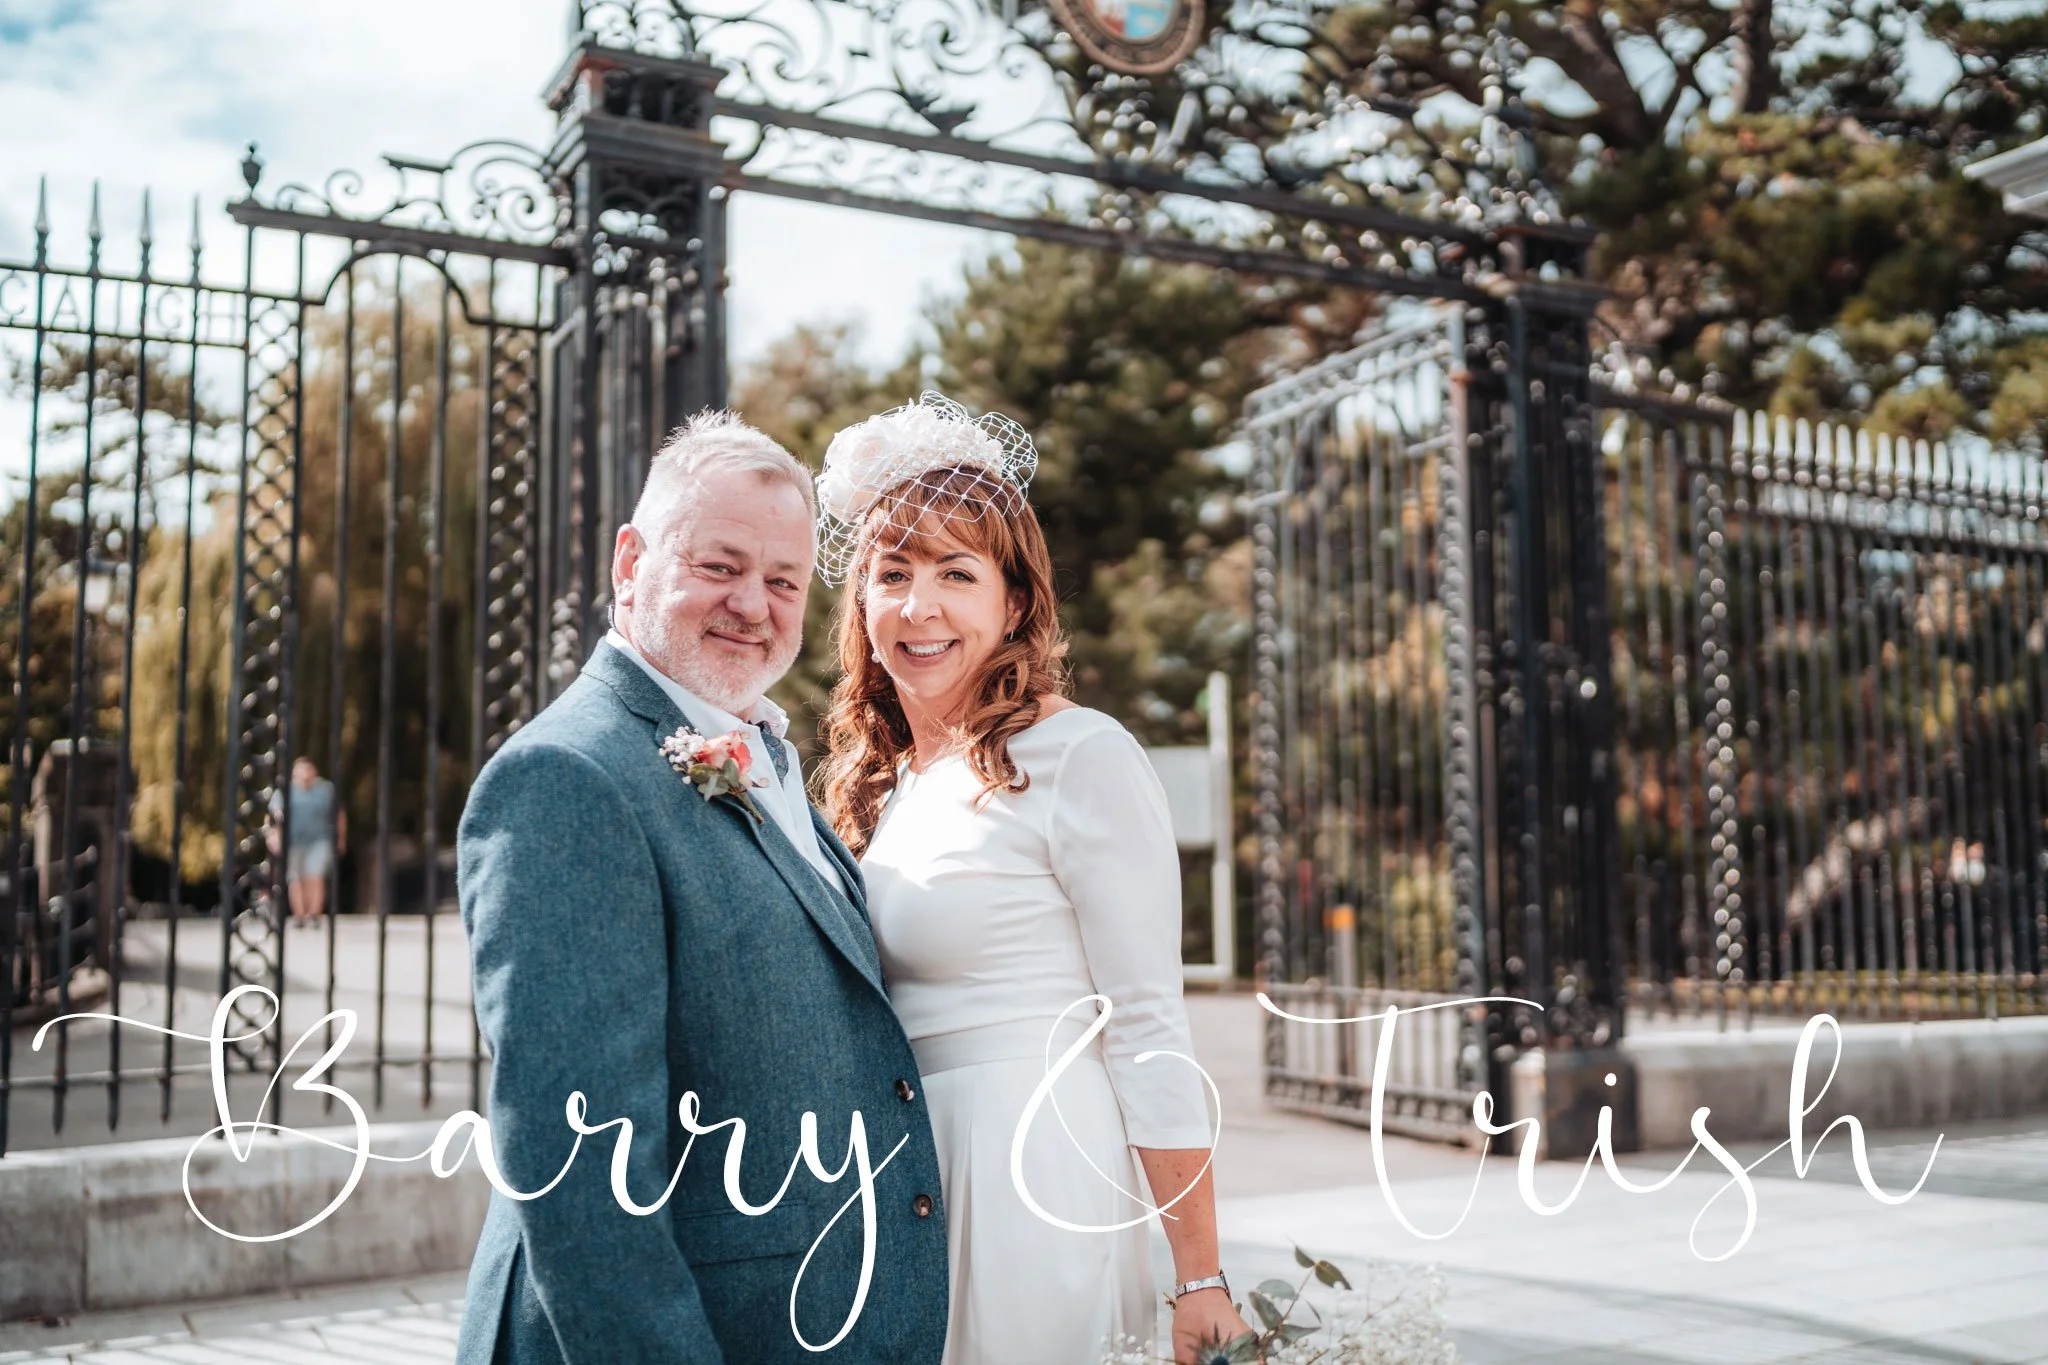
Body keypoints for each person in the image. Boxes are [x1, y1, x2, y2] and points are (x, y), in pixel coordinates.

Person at [454, 412, 948, 1363]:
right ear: (630, 561)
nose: (753, 605)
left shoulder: (761, 751)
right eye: (719, 567)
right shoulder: (568, 779)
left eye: (783, 581)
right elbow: (580, 1174)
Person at [816, 394, 1252, 1365]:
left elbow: (1147, 1030)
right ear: (860, 604)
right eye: (892, 574)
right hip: (897, 1171)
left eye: (954, 574)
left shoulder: (1079, 756)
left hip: (1029, 1168)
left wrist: (1199, 1277)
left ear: (1013, 603)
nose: (917, 607)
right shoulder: (880, 786)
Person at [267, 757, 344, 928]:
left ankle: (314, 914)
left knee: (315, 876)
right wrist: (273, 836)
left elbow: (339, 814)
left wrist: (340, 838)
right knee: (295, 878)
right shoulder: (285, 791)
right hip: (293, 842)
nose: (305, 774)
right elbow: (273, 817)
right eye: (301, 770)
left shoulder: (325, 790)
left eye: (308, 769)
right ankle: (299, 915)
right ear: (294, 773)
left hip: (319, 840)